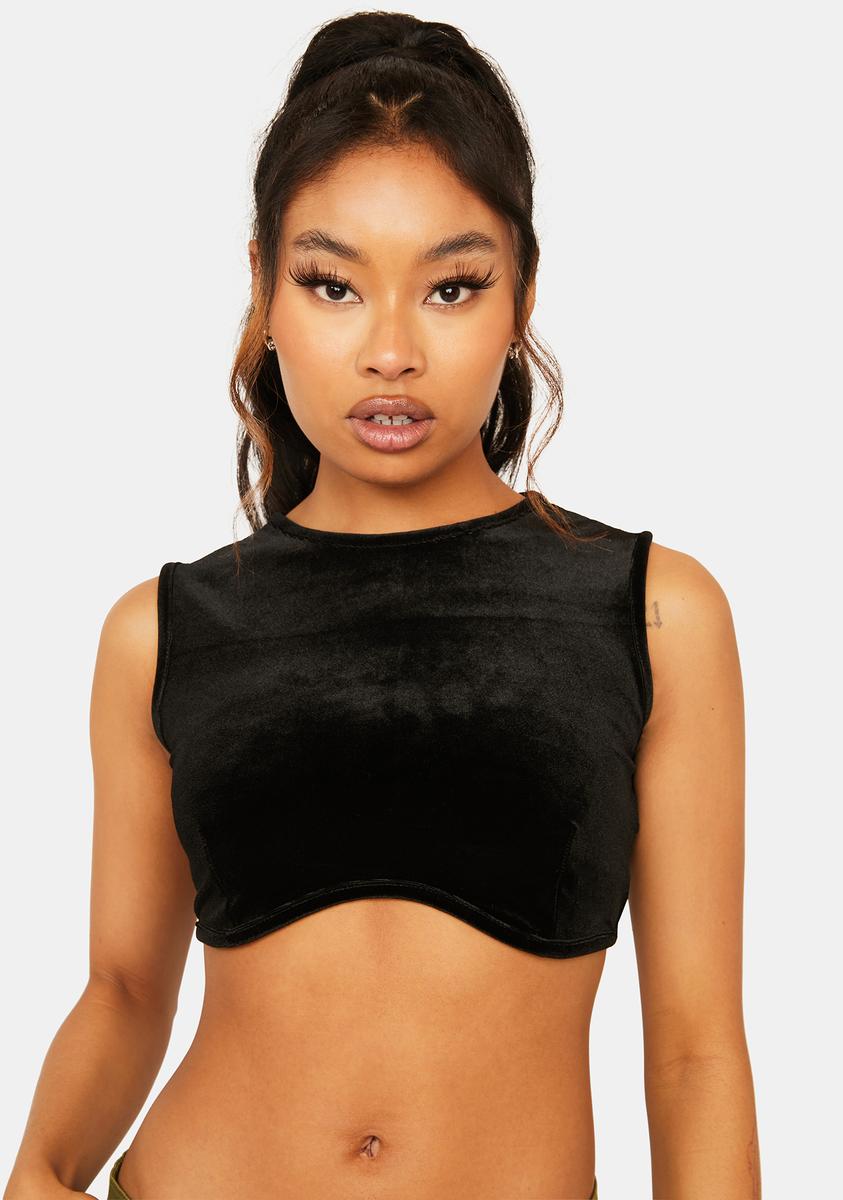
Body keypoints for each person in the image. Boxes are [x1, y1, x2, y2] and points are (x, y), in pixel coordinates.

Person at [4, 11, 761, 1200]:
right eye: (333, 284)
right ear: (265, 290)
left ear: (521, 292)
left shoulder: (656, 615)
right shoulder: (161, 633)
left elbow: (696, 1052)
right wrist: (37, 1173)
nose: (392, 351)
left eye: (452, 287)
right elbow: (125, 990)